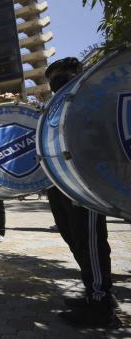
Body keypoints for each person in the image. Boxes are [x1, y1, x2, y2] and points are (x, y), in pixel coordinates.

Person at [42, 57, 120, 328]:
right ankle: (94, 293)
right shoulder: (54, 105)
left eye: (61, 75)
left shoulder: (90, 99)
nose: (55, 82)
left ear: (77, 75)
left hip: (84, 183)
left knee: (91, 243)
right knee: (74, 239)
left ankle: (101, 305)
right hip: (59, 182)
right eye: (52, 78)